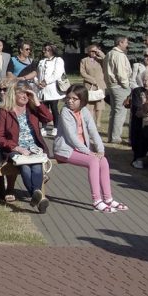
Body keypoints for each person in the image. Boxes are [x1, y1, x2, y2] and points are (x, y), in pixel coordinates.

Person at [54, 85, 127, 213]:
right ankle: (96, 201)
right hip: (65, 150)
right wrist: (89, 152)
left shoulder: (84, 111)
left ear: (82, 100)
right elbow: (71, 138)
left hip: (80, 149)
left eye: (74, 99)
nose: (70, 101)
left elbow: (93, 131)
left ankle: (108, 199)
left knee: (103, 160)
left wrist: (100, 150)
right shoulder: (65, 111)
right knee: (93, 161)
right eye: (68, 98)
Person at [0, 82, 53, 212]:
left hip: (34, 147)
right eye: (21, 92)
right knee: (25, 167)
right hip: (15, 148)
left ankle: (36, 196)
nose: (25, 96)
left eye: (28, 93)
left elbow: (48, 118)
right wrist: (17, 148)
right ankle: (39, 199)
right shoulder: (4, 111)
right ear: (13, 94)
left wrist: (36, 101)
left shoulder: (32, 109)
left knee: (36, 167)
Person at [105, 36, 132, 145]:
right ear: (120, 42)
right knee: (120, 112)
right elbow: (121, 73)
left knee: (114, 112)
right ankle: (115, 137)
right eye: (126, 42)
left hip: (112, 86)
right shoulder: (119, 55)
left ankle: (111, 136)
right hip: (119, 86)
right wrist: (126, 85)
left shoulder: (109, 54)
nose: (127, 45)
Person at [37, 44, 66, 120]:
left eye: (46, 50)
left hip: (53, 90)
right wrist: (37, 82)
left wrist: (46, 82)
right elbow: (37, 74)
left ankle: (56, 125)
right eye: (44, 49)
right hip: (42, 90)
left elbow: (57, 74)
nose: (44, 51)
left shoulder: (58, 60)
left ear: (52, 51)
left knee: (54, 108)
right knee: (44, 110)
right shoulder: (41, 61)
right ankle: (44, 125)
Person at [80, 44, 107, 124]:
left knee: (99, 104)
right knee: (89, 104)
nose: (93, 53)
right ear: (88, 52)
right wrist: (92, 80)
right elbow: (82, 73)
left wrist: (99, 52)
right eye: (92, 51)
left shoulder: (101, 60)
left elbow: (106, 59)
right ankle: (90, 122)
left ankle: (98, 122)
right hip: (88, 84)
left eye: (95, 51)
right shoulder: (84, 60)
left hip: (100, 84)